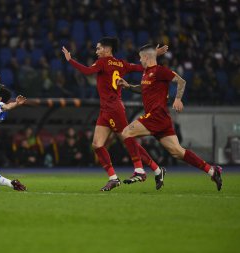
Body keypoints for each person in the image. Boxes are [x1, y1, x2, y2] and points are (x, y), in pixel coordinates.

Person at [62, 37, 168, 191]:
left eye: (99, 48)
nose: (97, 51)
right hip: (106, 109)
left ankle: (141, 169)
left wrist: (70, 60)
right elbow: (141, 67)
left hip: (113, 108)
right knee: (97, 144)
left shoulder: (102, 62)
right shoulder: (122, 63)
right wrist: (153, 56)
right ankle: (117, 177)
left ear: (107, 48)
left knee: (127, 138)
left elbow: (87, 71)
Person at [118, 44, 222, 191]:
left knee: (126, 133)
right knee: (177, 151)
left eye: (141, 57)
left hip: (156, 116)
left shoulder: (160, 71)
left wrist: (178, 99)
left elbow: (181, 81)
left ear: (146, 57)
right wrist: (128, 86)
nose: (140, 60)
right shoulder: (147, 73)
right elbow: (143, 89)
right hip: (161, 119)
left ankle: (140, 171)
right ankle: (212, 171)